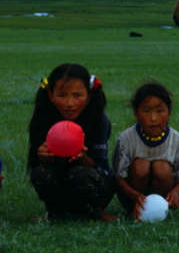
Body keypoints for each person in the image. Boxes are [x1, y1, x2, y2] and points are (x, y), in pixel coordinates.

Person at [27, 63, 117, 221]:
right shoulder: (43, 119)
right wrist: (43, 156)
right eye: (62, 95)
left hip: (93, 182)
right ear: (50, 95)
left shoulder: (99, 120)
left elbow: (102, 167)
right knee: (41, 174)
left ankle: (95, 211)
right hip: (59, 178)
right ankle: (55, 212)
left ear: (89, 95)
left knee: (80, 174)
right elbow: (34, 164)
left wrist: (84, 159)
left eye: (77, 95)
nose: (69, 103)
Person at [113, 82, 179, 220]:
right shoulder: (126, 139)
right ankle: (135, 209)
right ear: (136, 112)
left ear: (169, 112)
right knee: (141, 165)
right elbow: (118, 178)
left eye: (159, 111)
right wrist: (135, 196)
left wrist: (175, 193)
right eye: (146, 111)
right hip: (132, 197)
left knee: (162, 167)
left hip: (163, 199)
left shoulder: (177, 140)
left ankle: (159, 209)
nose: (153, 118)